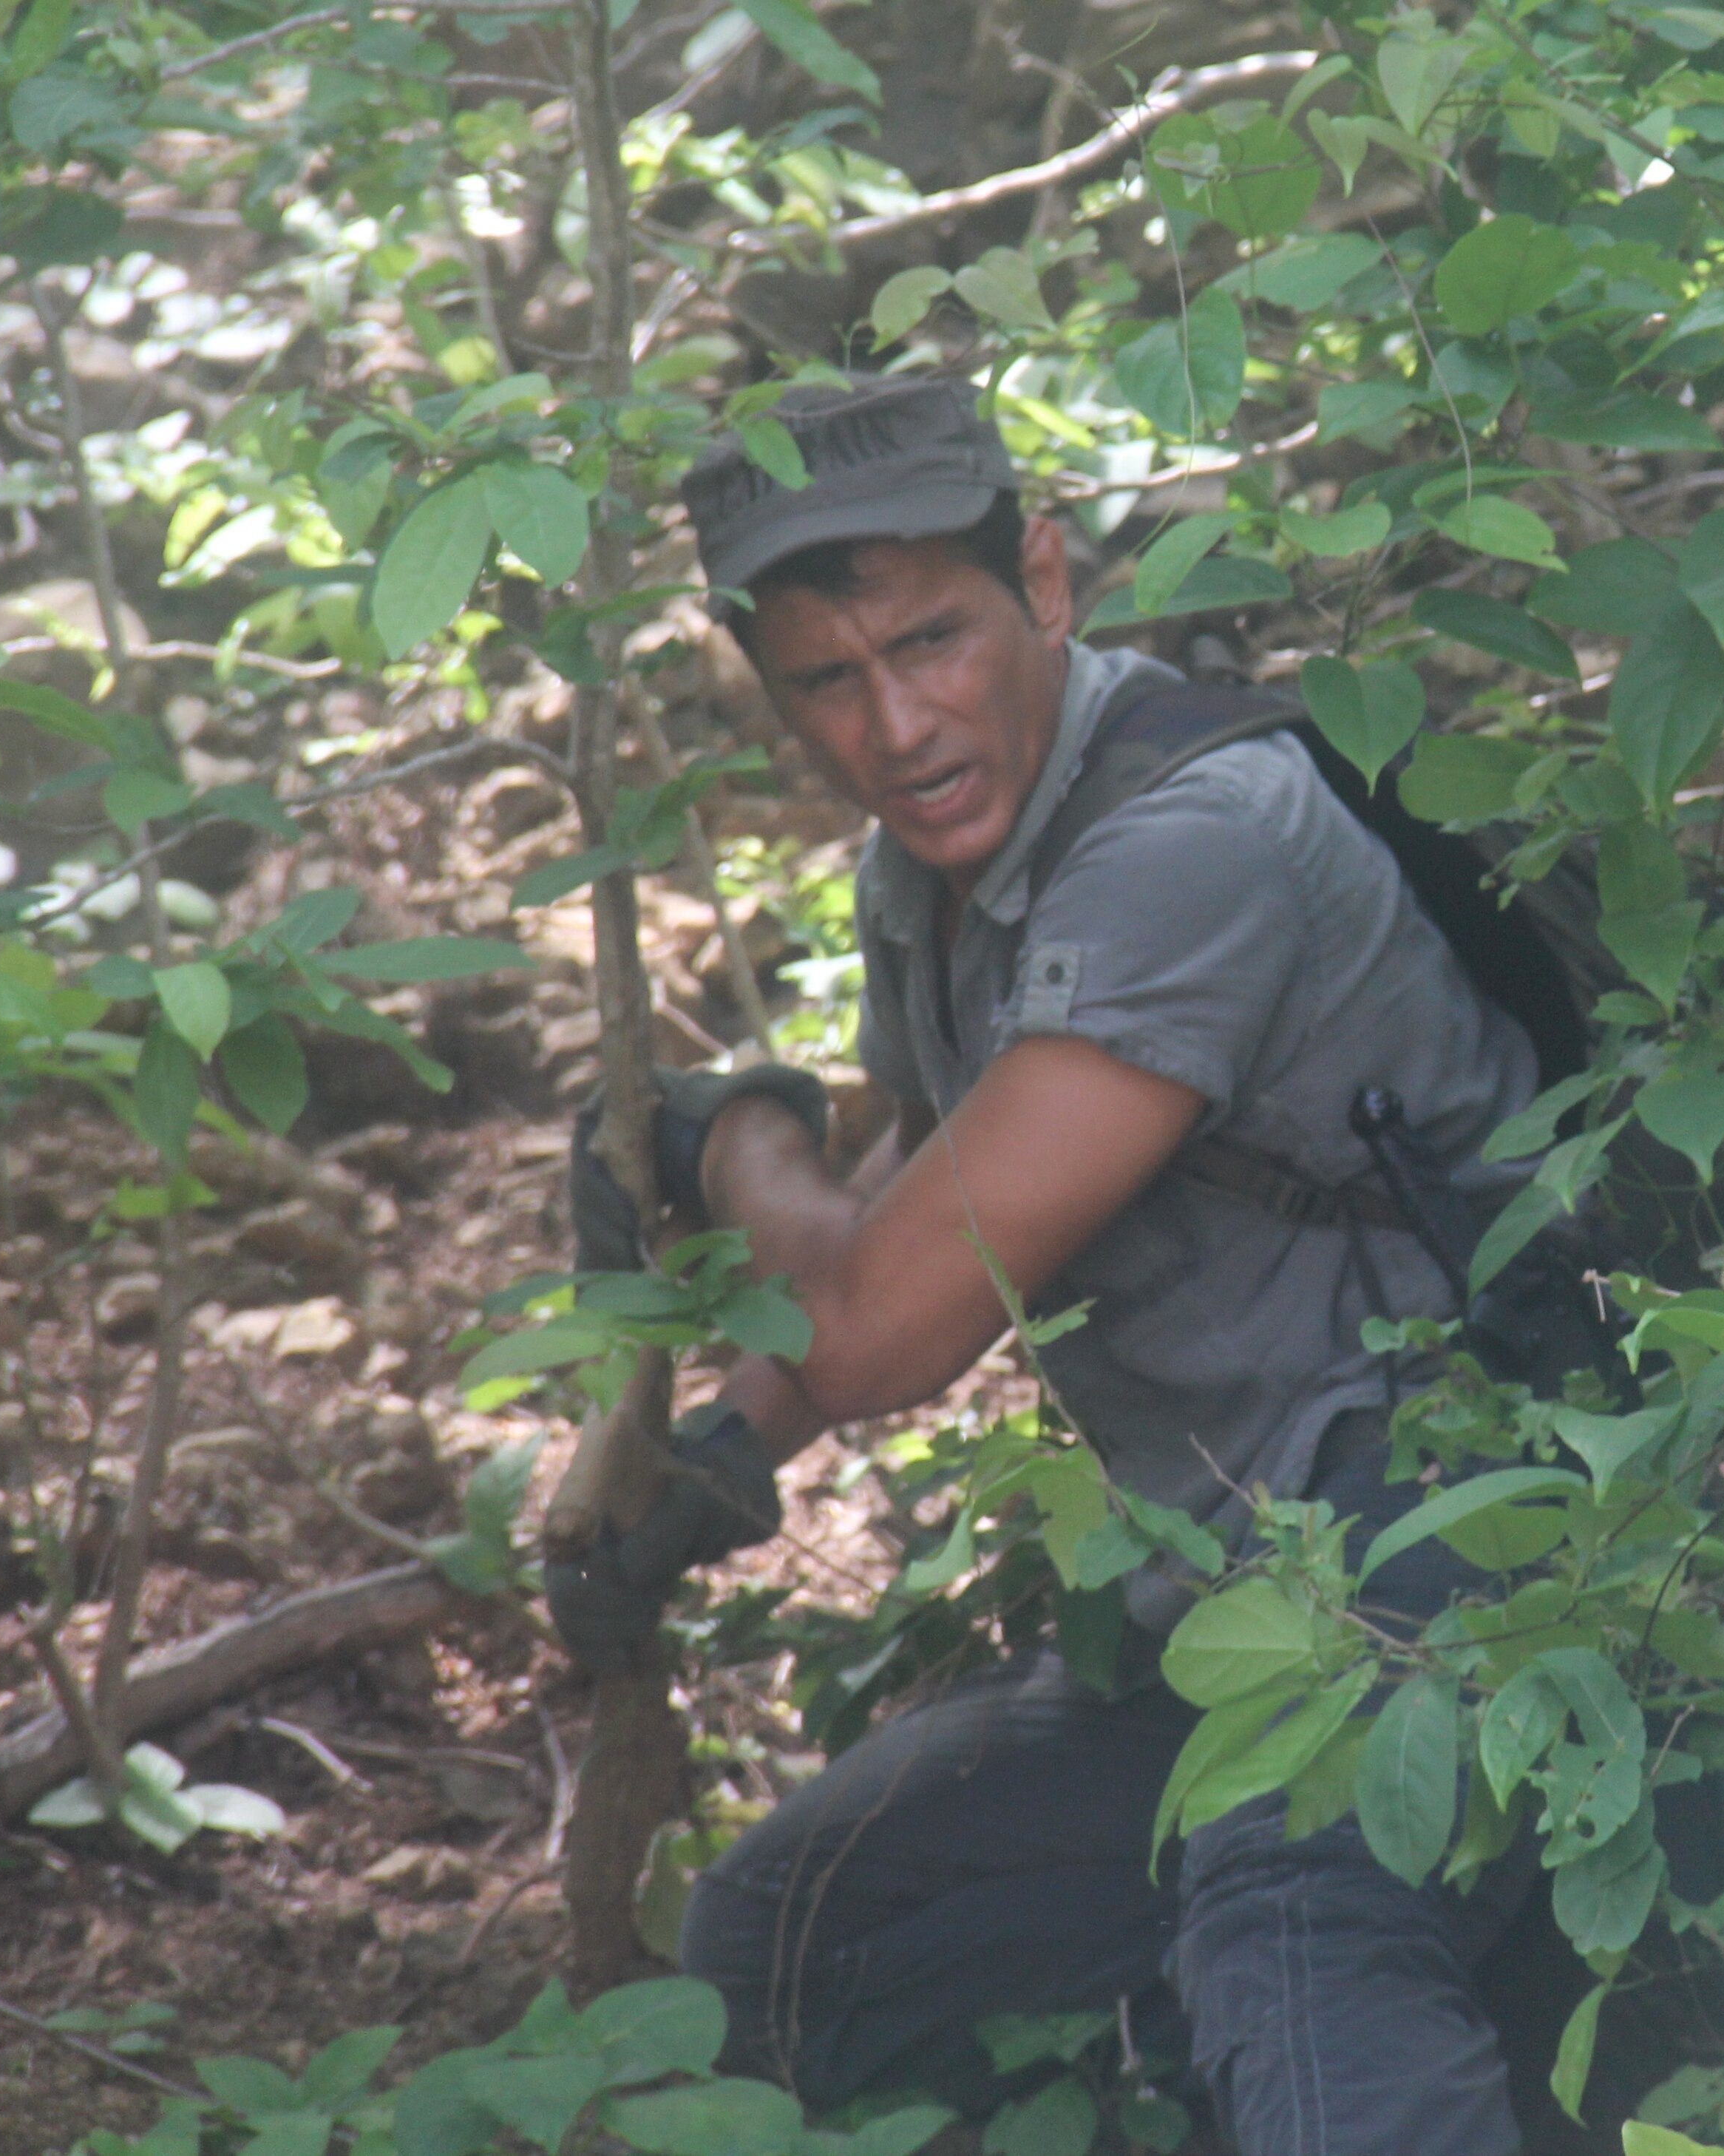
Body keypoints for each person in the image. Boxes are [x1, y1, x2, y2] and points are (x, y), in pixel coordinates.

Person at [548, 376, 1547, 2155]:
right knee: (787, 1943)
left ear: (1046, 582)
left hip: (1463, 1513)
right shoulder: (933, 869)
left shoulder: (1187, 845)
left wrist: (730, 1140)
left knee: (1297, 1929)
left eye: (932, 641)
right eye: (826, 681)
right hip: (1230, 1569)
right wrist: (723, 1454)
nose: (897, 725)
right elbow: (924, 1202)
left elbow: (879, 1325)